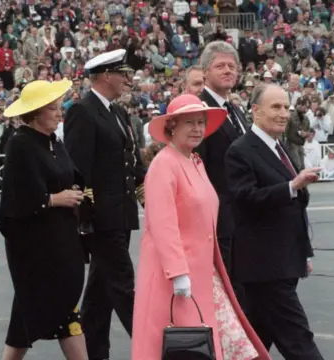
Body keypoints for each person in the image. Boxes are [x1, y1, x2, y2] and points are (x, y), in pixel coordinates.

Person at [132, 94, 270, 360]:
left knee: (217, 344)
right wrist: (177, 272)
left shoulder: (194, 161)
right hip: (174, 277)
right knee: (190, 346)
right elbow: (163, 223)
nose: (197, 129)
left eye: (201, 123)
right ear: (172, 126)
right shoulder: (164, 164)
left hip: (204, 272)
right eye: (190, 123)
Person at [225, 84, 324, 359]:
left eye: (286, 107)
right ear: (255, 111)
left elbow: (292, 208)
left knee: (255, 340)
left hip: (281, 261)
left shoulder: (279, 147)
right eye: (276, 107)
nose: (284, 114)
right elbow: (245, 199)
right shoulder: (240, 151)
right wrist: (292, 186)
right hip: (265, 267)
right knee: (299, 340)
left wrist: (303, 251)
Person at [0, 79, 88, 360]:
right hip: (37, 251)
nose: (60, 112)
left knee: (59, 316)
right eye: (53, 108)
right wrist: (53, 199)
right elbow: (16, 200)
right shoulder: (20, 144)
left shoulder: (53, 142)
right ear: (35, 112)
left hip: (62, 242)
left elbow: (71, 175)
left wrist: (75, 191)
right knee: (42, 316)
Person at [64, 48, 145, 360]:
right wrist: (87, 217)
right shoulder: (82, 111)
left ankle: (93, 353)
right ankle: (153, 347)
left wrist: (146, 193)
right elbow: (78, 169)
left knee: (99, 297)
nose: (127, 79)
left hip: (121, 214)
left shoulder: (117, 112)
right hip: (101, 219)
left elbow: (129, 163)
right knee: (124, 287)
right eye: (122, 73)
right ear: (106, 76)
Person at [194, 41, 247, 276]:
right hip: (217, 218)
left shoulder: (234, 110)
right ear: (205, 72)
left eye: (232, 66)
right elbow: (197, 166)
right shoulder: (199, 110)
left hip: (241, 215)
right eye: (220, 66)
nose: (228, 70)